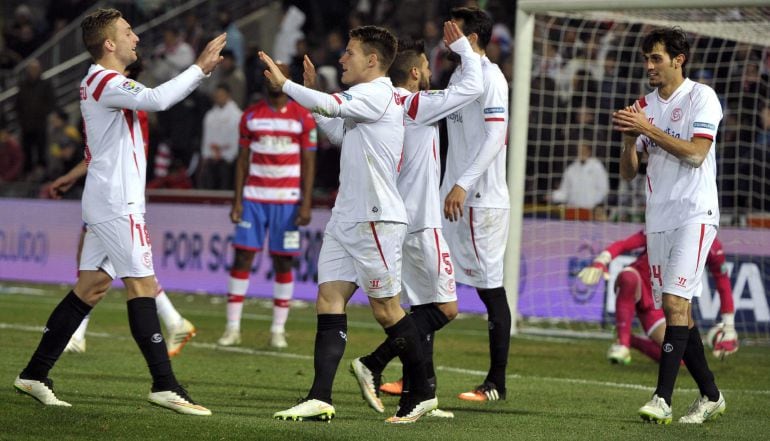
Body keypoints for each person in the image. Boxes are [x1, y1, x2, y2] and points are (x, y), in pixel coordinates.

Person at [12, 8, 226, 416]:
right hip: (117, 202)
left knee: (90, 288)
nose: (136, 39)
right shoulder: (107, 80)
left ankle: (34, 374)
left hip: (106, 197)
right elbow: (157, 99)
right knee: (142, 286)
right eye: (128, 33)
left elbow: (98, 150)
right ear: (109, 43)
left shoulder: (99, 82)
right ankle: (165, 385)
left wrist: (71, 176)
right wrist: (199, 68)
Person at [260, 25, 436, 424]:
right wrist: (311, 99)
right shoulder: (367, 100)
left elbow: (334, 106)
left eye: (350, 53)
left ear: (372, 60)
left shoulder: (376, 92)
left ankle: (422, 392)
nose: (342, 59)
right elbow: (337, 131)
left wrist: (287, 85)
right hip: (348, 216)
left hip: (375, 216)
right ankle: (320, 396)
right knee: (329, 299)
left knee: (387, 310)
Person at [348, 23, 482, 418]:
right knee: (445, 309)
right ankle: (374, 362)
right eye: (425, 66)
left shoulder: (384, 108)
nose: (428, 72)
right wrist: (462, 47)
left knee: (419, 309)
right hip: (422, 220)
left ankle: (422, 390)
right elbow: (471, 87)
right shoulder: (415, 105)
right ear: (414, 73)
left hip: (397, 220)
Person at [613, 26, 725, 424]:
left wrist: (647, 129)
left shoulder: (701, 97)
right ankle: (711, 395)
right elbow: (629, 173)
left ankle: (662, 398)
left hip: (695, 214)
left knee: (675, 304)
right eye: (646, 59)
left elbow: (696, 154)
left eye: (656, 58)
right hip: (658, 219)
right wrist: (630, 139)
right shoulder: (645, 105)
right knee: (679, 312)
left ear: (679, 60)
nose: (649, 66)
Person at [56, 58, 197, 358]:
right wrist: (71, 176)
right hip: (113, 193)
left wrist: (200, 67)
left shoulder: (126, 106)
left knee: (121, 271)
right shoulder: (120, 106)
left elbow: (110, 151)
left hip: (115, 195)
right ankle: (173, 323)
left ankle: (163, 362)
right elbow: (98, 151)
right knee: (112, 271)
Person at [439, 6, 511, 402]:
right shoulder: (459, 76)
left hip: (481, 202)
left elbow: (495, 137)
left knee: (490, 291)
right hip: (452, 198)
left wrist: (463, 184)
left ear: (472, 38)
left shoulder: (492, 78)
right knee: (432, 283)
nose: (446, 36)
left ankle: (496, 383)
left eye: (454, 31)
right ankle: (419, 378)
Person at [216, 62, 316, 349]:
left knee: (283, 260)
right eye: (271, 73)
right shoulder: (250, 116)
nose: (275, 78)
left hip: (287, 202)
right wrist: (237, 201)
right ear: (265, 78)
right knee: (242, 258)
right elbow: (242, 161)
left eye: (281, 73)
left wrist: (306, 203)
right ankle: (232, 327)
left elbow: (310, 162)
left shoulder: (303, 117)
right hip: (254, 199)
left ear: (288, 79)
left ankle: (277, 330)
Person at [578, 231, 737, 364]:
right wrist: (601, 261)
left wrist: (729, 328)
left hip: (664, 302)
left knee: (680, 358)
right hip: (640, 283)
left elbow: (723, 283)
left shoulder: (712, 247)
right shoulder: (665, 226)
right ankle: (622, 344)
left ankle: (631, 340)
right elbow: (625, 244)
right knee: (628, 278)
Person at [198, 83, 242, 190]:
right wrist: (206, 155)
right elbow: (207, 137)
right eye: (217, 95)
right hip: (212, 157)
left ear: (228, 95)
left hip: (229, 159)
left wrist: (229, 156)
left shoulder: (237, 115)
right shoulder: (210, 115)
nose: (219, 98)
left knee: (225, 183)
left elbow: (237, 138)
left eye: (222, 95)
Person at [548, 141, 609, 210]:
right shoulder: (570, 169)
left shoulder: (597, 167)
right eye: (580, 150)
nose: (581, 153)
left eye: (584, 150)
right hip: (573, 210)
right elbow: (564, 192)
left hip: (592, 209)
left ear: (589, 151)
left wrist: (594, 203)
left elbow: (604, 189)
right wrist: (553, 196)